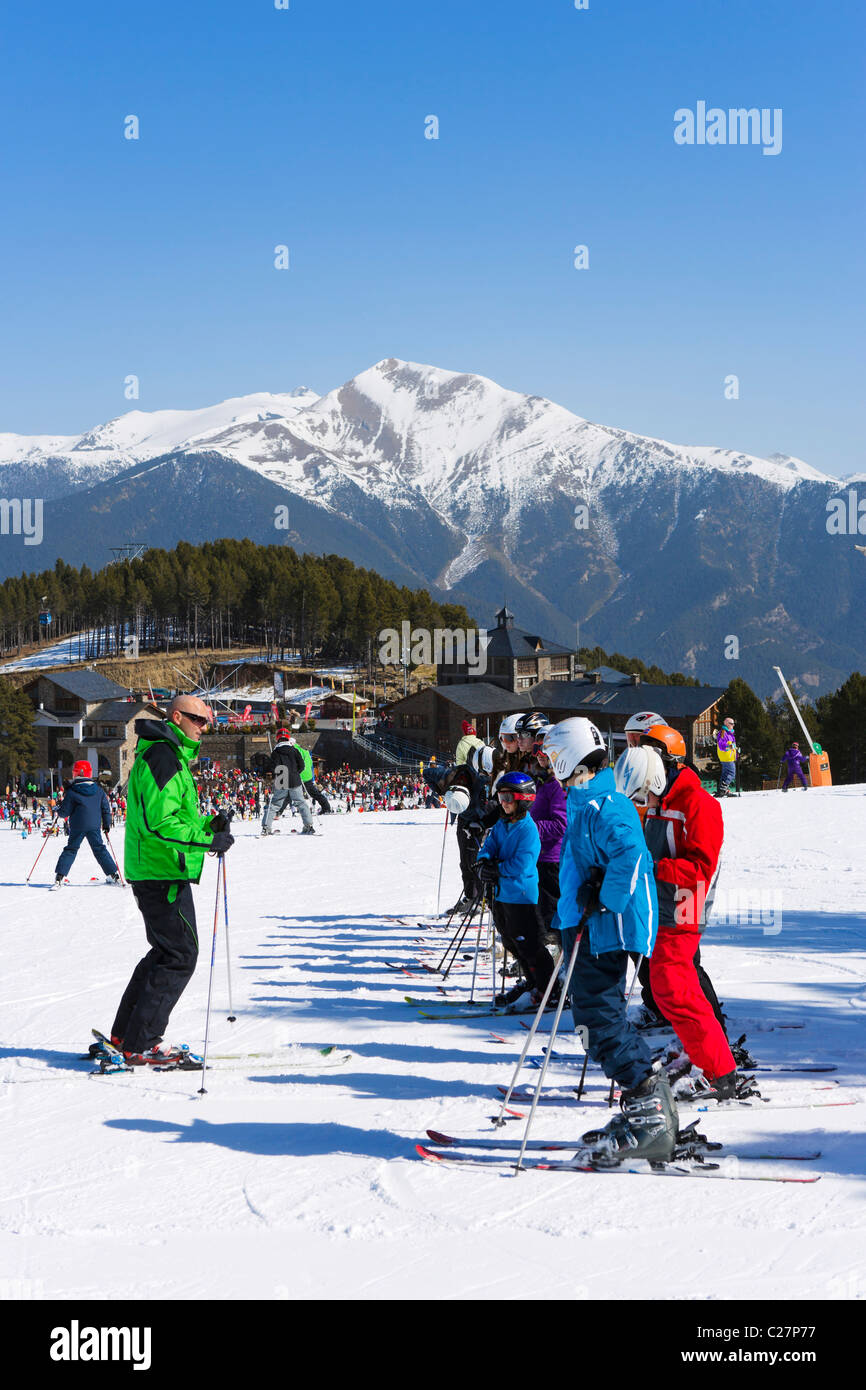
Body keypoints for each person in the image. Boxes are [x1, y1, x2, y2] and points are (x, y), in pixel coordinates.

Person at [541, 717, 677, 1165]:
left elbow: (632, 856)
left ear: (569, 756)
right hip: (586, 925)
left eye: (551, 756)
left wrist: (602, 896)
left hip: (605, 931)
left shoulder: (605, 804)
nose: (549, 764)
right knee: (596, 1020)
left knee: (599, 1022)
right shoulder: (585, 799)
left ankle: (648, 1105)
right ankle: (646, 1104)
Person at [110, 696, 234, 1065]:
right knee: (180, 954)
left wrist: (209, 827)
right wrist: (207, 840)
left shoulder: (169, 754)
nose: (203, 727)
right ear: (177, 717)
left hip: (160, 868)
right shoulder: (163, 756)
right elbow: (159, 824)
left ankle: (126, 1034)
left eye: (208, 721)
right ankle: (141, 1040)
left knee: (166, 952)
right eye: (198, 719)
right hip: (159, 870)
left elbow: (174, 815)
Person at [638, 724, 744, 1099]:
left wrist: (650, 868)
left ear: (669, 761)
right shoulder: (657, 800)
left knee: (678, 990)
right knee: (666, 991)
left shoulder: (698, 803)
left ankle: (721, 1071)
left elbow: (700, 870)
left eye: (651, 761)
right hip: (658, 905)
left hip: (683, 908)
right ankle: (700, 1055)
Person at [476, 769, 555, 1010]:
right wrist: (483, 862)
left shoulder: (528, 830)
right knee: (511, 942)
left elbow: (523, 863)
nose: (504, 803)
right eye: (500, 798)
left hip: (521, 896)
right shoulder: (502, 824)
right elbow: (489, 845)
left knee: (530, 944)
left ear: (523, 799)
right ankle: (532, 983)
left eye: (508, 798)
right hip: (501, 895)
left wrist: (497, 869)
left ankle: (549, 988)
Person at [51, 760, 120, 889]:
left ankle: (60, 877)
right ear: (89, 773)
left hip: (77, 826)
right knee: (99, 849)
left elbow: (64, 812)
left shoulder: (72, 791)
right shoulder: (99, 790)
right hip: (94, 826)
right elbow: (105, 808)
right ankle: (113, 875)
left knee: (71, 849)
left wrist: (58, 810)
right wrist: (106, 825)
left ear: (76, 773)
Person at [261, 730, 316, 834]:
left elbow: (272, 768)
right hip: (295, 779)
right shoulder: (294, 750)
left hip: (281, 778)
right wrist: (295, 772)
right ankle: (309, 826)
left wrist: (274, 775)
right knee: (301, 803)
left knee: (275, 804)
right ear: (288, 738)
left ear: (278, 738)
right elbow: (302, 766)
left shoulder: (276, 752)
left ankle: (266, 827)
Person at [714, 717, 738, 796]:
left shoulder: (729, 733)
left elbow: (732, 746)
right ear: (726, 724)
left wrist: (736, 752)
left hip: (729, 757)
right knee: (731, 773)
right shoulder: (723, 733)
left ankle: (722, 790)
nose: (733, 725)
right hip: (726, 757)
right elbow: (722, 746)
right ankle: (723, 789)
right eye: (731, 724)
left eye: (733, 724)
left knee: (725, 774)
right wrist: (732, 747)